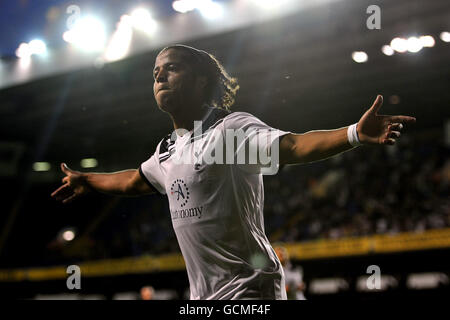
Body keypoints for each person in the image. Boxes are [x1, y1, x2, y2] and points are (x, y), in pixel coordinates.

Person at [51, 44, 416, 300]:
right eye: (155, 71)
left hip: (249, 289)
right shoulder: (168, 149)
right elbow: (133, 180)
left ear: (201, 81)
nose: (160, 74)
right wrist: (88, 180)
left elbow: (291, 146)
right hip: (203, 297)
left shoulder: (230, 130)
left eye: (172, 68)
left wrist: (354, 133)